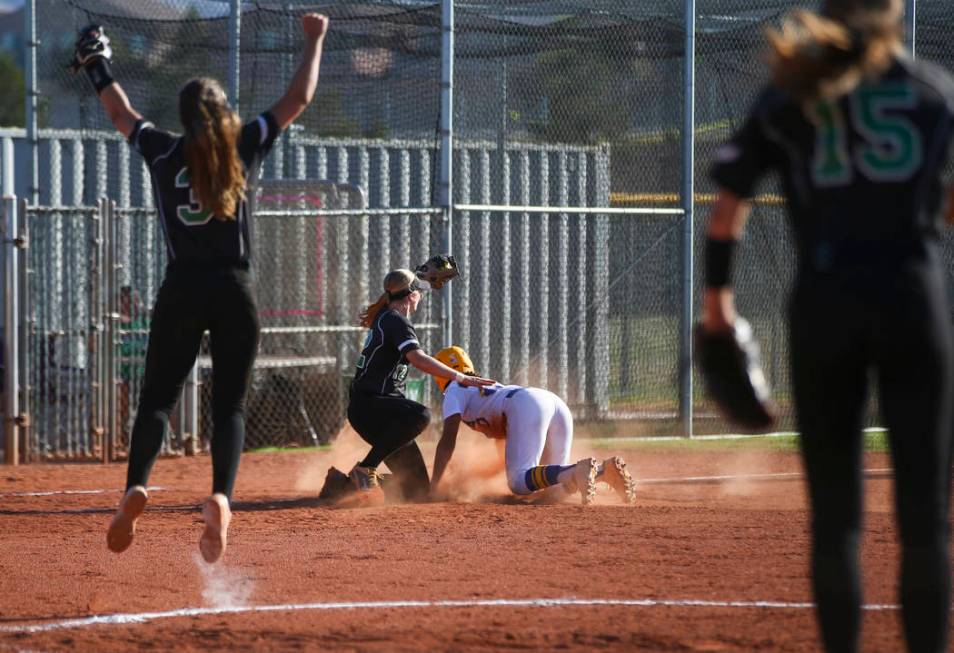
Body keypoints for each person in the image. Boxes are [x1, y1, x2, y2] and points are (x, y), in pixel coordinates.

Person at [702, 1, 954, 650]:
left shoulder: (788, 96)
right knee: (926, 521)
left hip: (825, 306)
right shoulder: (933, 91)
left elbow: (728, 209)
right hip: (913, 303)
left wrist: (717, 305)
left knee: (836, 519)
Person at [71, 13, 330, 563]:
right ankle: (220, 498)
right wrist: (315, 39)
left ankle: (135, 486)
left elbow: (122, 112)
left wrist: (98, 66)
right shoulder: (242, 148)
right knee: (231, 406)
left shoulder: (164, 151)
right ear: (222, 113)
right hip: (236, 289)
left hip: (181, 289)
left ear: (185, 118)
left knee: (158, 401)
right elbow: (299, 97)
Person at [345, 270, 495, 504]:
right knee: (421, 415)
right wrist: (461, 377)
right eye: (419, 292)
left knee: (416, 491)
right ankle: (366, 468)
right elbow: (418, 358)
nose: (421, 297)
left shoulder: (385, 317)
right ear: (411, 296)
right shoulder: (395, 321)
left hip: (378, 412)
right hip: (373, 407)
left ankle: (343, 486)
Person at [428, 346, 636, 505]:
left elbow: (448, 440)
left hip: (527, 406)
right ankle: (603, 471)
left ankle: (577, 470)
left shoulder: (454, 389)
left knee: (518, 484)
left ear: (440, 371)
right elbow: (507, 436)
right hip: (552, 402)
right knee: (554, 491)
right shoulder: (481, 385)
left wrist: (434, 486)